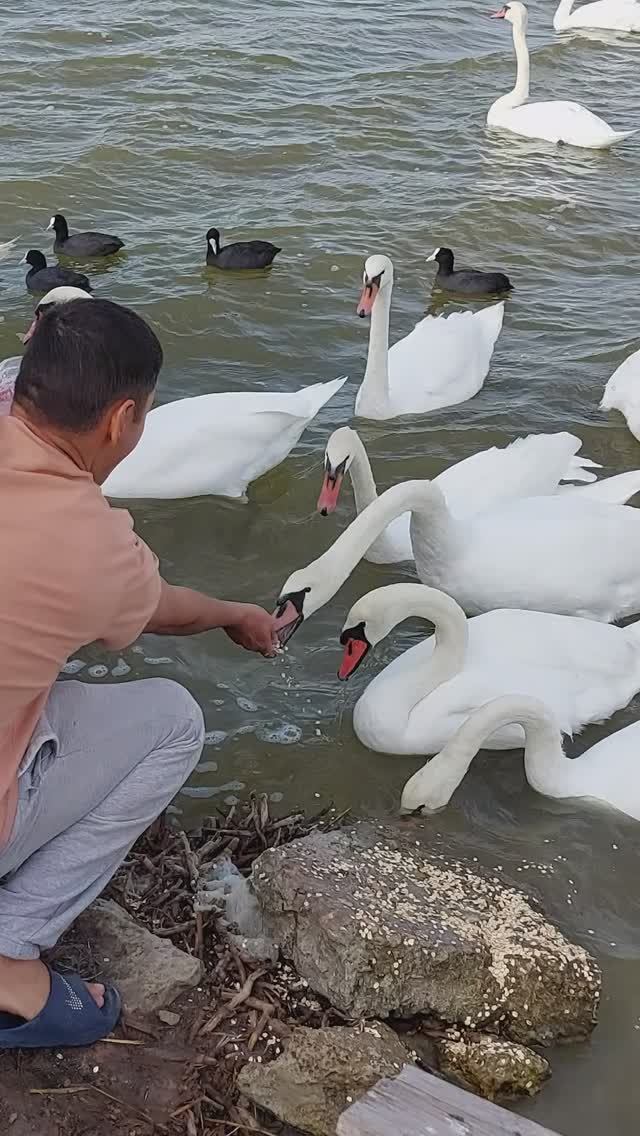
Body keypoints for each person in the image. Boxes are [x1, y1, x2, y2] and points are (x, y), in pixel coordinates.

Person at [0, 298, 277, 1049]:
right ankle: (10, 954)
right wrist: (235, 613)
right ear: (123, 419)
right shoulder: (86, 543)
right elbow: (165, 609)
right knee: (173, 722)